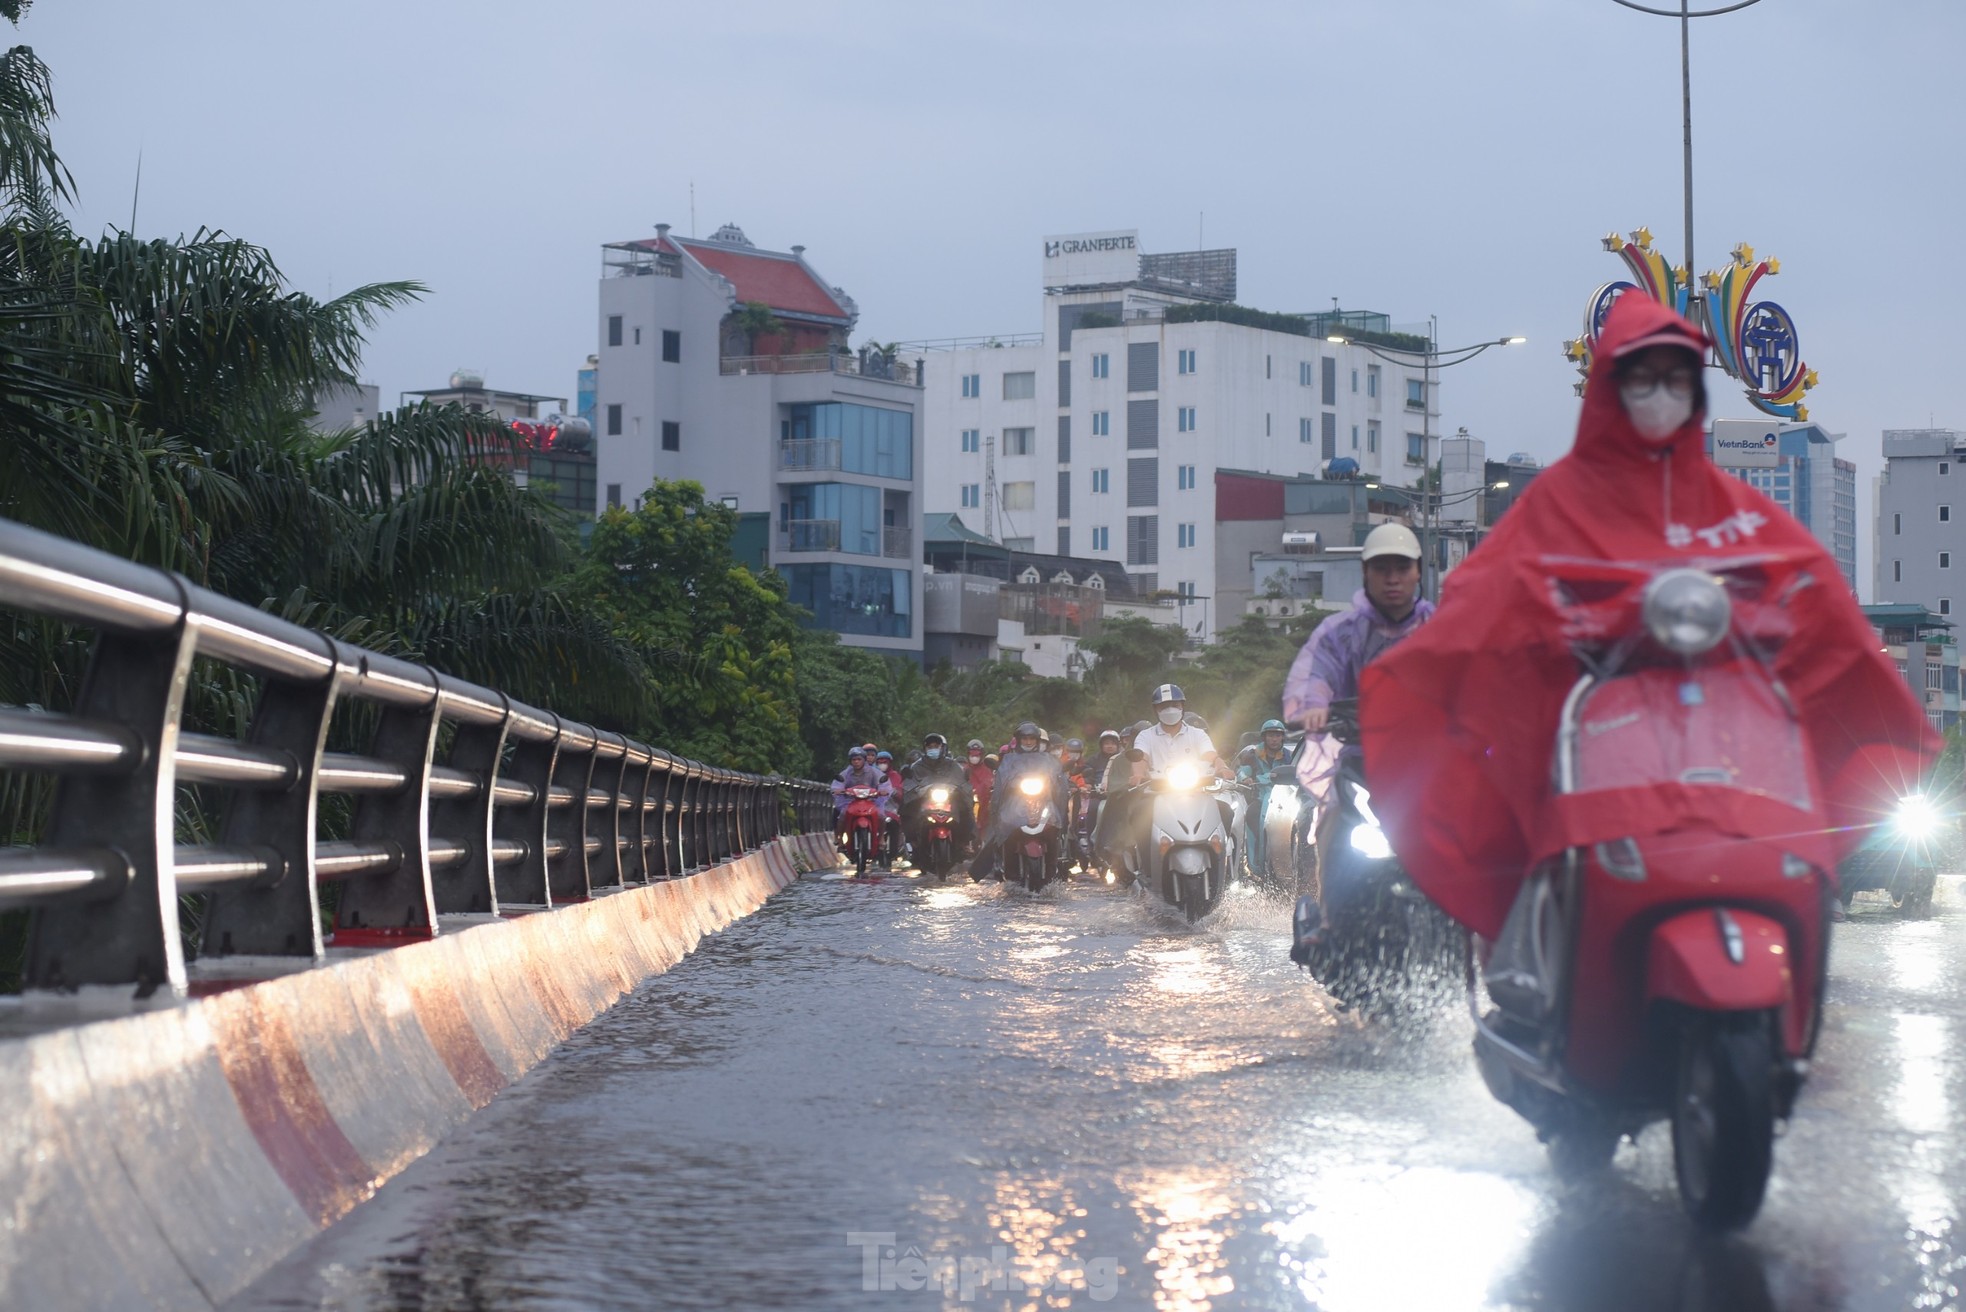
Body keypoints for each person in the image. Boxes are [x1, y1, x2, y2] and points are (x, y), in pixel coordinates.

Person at [1357, 293, 1938, 942]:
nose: (1659, 393)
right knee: (1545, 876)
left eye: (1676, 378)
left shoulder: (1735, 507)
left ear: (1695, 390)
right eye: (1641, 378)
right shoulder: (1560, 501)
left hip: (1726, 754)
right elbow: (1486, 598)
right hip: (1596, 749)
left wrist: (1859, 683)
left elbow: (1809, 586)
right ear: (1611, 387)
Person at [1095, 685, 1219, 872]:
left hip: (1196, 795)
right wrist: (1137, 774)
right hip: (1157, 795)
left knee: (1224, 811)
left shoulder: (1197, 734)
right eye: (1164, 706)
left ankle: (1221, 867)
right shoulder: (1146, 735)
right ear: (1156, 710)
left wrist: (1222, 768)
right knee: (1139, 814)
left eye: (1174, 705)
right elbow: (1141, 757)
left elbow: (1211, 755)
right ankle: (1147, 868)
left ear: (1182, 706)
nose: (1170, 710)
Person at [975, 722, 1072, 879]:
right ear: (1019, 740)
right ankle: (1010, 873)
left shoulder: (1048, 760)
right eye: (1024, 739)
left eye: (1031, 739)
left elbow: (1057, 780)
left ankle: (1052, 871)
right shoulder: (1009, 760)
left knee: (1052, 828)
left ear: (1037, 740)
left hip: (1044, 803)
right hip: (1015, 805)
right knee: (1008, 830)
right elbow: (1002, 781)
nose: (1028, 742)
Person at [1237, 719, 1295, 875]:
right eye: (1270, 735)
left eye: (1277, 735)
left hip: (1284, 802)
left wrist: (1265, 777)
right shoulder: (1252, 754)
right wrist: (1245, 778)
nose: (1274, 739)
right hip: (1260, 800)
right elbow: (1242, 771)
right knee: (1251, 815)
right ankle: (1254, 865)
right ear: (1264, 737)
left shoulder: (1290, 756)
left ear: (1283, 737)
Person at [901, 732, 975, 853]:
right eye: (930, 747)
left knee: (966, 810)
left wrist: (958, 789)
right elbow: (910, 783)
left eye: (936, 746)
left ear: (942, 748)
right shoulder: (917, 766)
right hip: (924, 800)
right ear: (925, 749)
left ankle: (964, 842)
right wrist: (917, 790)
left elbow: (962, 782)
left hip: (949, 799)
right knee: (908, 811)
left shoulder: (952, 764)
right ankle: (912, 842)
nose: (933, 749)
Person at [830, 747, 892, 842]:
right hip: (850, 802)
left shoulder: (873, 772)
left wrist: (882, 791)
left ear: (864, 760)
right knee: (842, 815)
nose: (856, 762)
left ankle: (881, 839)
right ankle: (840, 839)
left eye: (859, 759)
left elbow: (882, 782)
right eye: (854, 760)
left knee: (881, 816)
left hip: (871, 802)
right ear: (850, 761)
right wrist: (838, 790)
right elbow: (839, 784)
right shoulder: (846, 773)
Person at [964, 739, 995, 839]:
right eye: (972, 755)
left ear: (981, 755)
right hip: (968, 802)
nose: (974, 758)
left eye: (977, 755)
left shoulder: (987, 769)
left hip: (985, 804)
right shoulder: (964, 769)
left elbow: (990, 783)